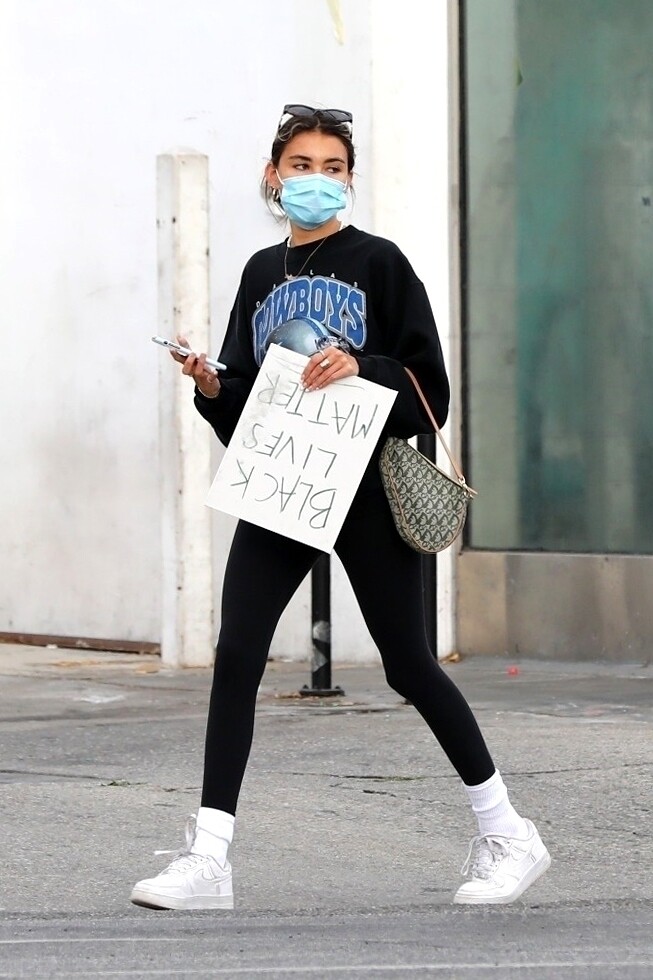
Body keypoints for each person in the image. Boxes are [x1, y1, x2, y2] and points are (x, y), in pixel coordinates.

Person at [130, 104, 550, 911]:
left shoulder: (379, 263)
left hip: (364, 488)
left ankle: (508, 832)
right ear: (272, 175)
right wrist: (213, 387)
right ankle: (209, 857)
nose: (315, 180)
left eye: (332, 168)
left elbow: (430, 391)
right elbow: (248, 402)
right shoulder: (260, 272)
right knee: (238, 653)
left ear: (349, 180)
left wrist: (362, 366)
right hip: (284, 483)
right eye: (301, 166)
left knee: (408, 665)